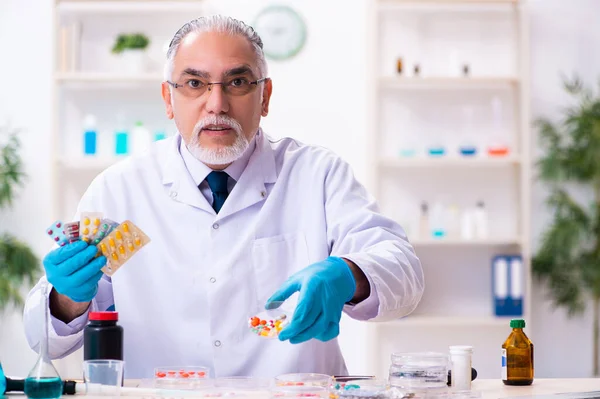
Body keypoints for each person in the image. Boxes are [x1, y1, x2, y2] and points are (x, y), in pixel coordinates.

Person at [23, 15, 424, 379]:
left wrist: (349, 275)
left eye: (237, 82)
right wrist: (67, 300)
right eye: (195, 83)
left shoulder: (317, 175)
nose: (216, 105)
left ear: (264, 97)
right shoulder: (117, 188)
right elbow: (44, 343)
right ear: (168, 99)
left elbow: (405, 273)